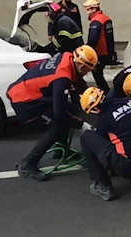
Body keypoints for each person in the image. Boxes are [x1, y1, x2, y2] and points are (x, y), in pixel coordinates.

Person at [8, 45, 99, 181]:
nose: (87, 73)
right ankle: (28, 164)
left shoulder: (67, 57)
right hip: (25, 101)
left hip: (34, 93)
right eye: (88, 70)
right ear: (81, 66)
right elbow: (59, 112)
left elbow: (79, 84)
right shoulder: (62, 78)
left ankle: (61, 150)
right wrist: (81, 124)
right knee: (58, 124)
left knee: (69, 112)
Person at [83, 0, 116, 92]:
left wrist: (86, 49)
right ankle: (105, 92)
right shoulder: (106, 18)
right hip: (107, 52)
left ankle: (106, 93)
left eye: (88, 10)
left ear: (94, 9)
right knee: (98, 73)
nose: (87, 12)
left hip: (100, 52)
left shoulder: (96, 21)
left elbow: (93, 39)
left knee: (97, 74)